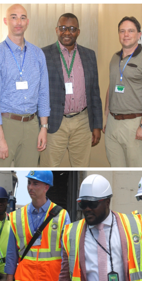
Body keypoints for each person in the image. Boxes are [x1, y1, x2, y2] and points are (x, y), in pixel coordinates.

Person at [0, 4, 50, 167]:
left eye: (22, 17)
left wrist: (44, 127)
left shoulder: (37, 54)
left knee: (27, 175)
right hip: (5, 125)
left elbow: (43, 92)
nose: (18, 22)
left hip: (32, 125)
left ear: (27, 22)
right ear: (6, 21)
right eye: (13, 17)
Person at [4, 171, 71, 281]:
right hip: (27, 279)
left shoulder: (62, 216)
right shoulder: (15, 217)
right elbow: (12, 253)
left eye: (35, 183)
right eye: (29, 183)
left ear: (46, 187)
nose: (30, 187)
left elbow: (67, 253)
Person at [40, 13, 102, 167]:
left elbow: (95, 91)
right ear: (56, 30)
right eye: (63, 28)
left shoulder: (89, 55)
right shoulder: (43, 54)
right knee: (49, 169)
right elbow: (39, 93)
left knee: (81, 168)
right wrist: (42, 126)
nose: (67, 32)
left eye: (72, 28)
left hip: (82, 121)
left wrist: (97, 125)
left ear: (78, 32)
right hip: (54, 122)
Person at [103, 16, 142, 167]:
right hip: (112, 123)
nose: (126, 35)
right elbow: (112, 87)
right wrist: (105, 117)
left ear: (139, 34)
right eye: (122, 31)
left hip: (135, 124)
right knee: (116, 169)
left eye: (130, 31)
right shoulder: (115, 58)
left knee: (134, 171)